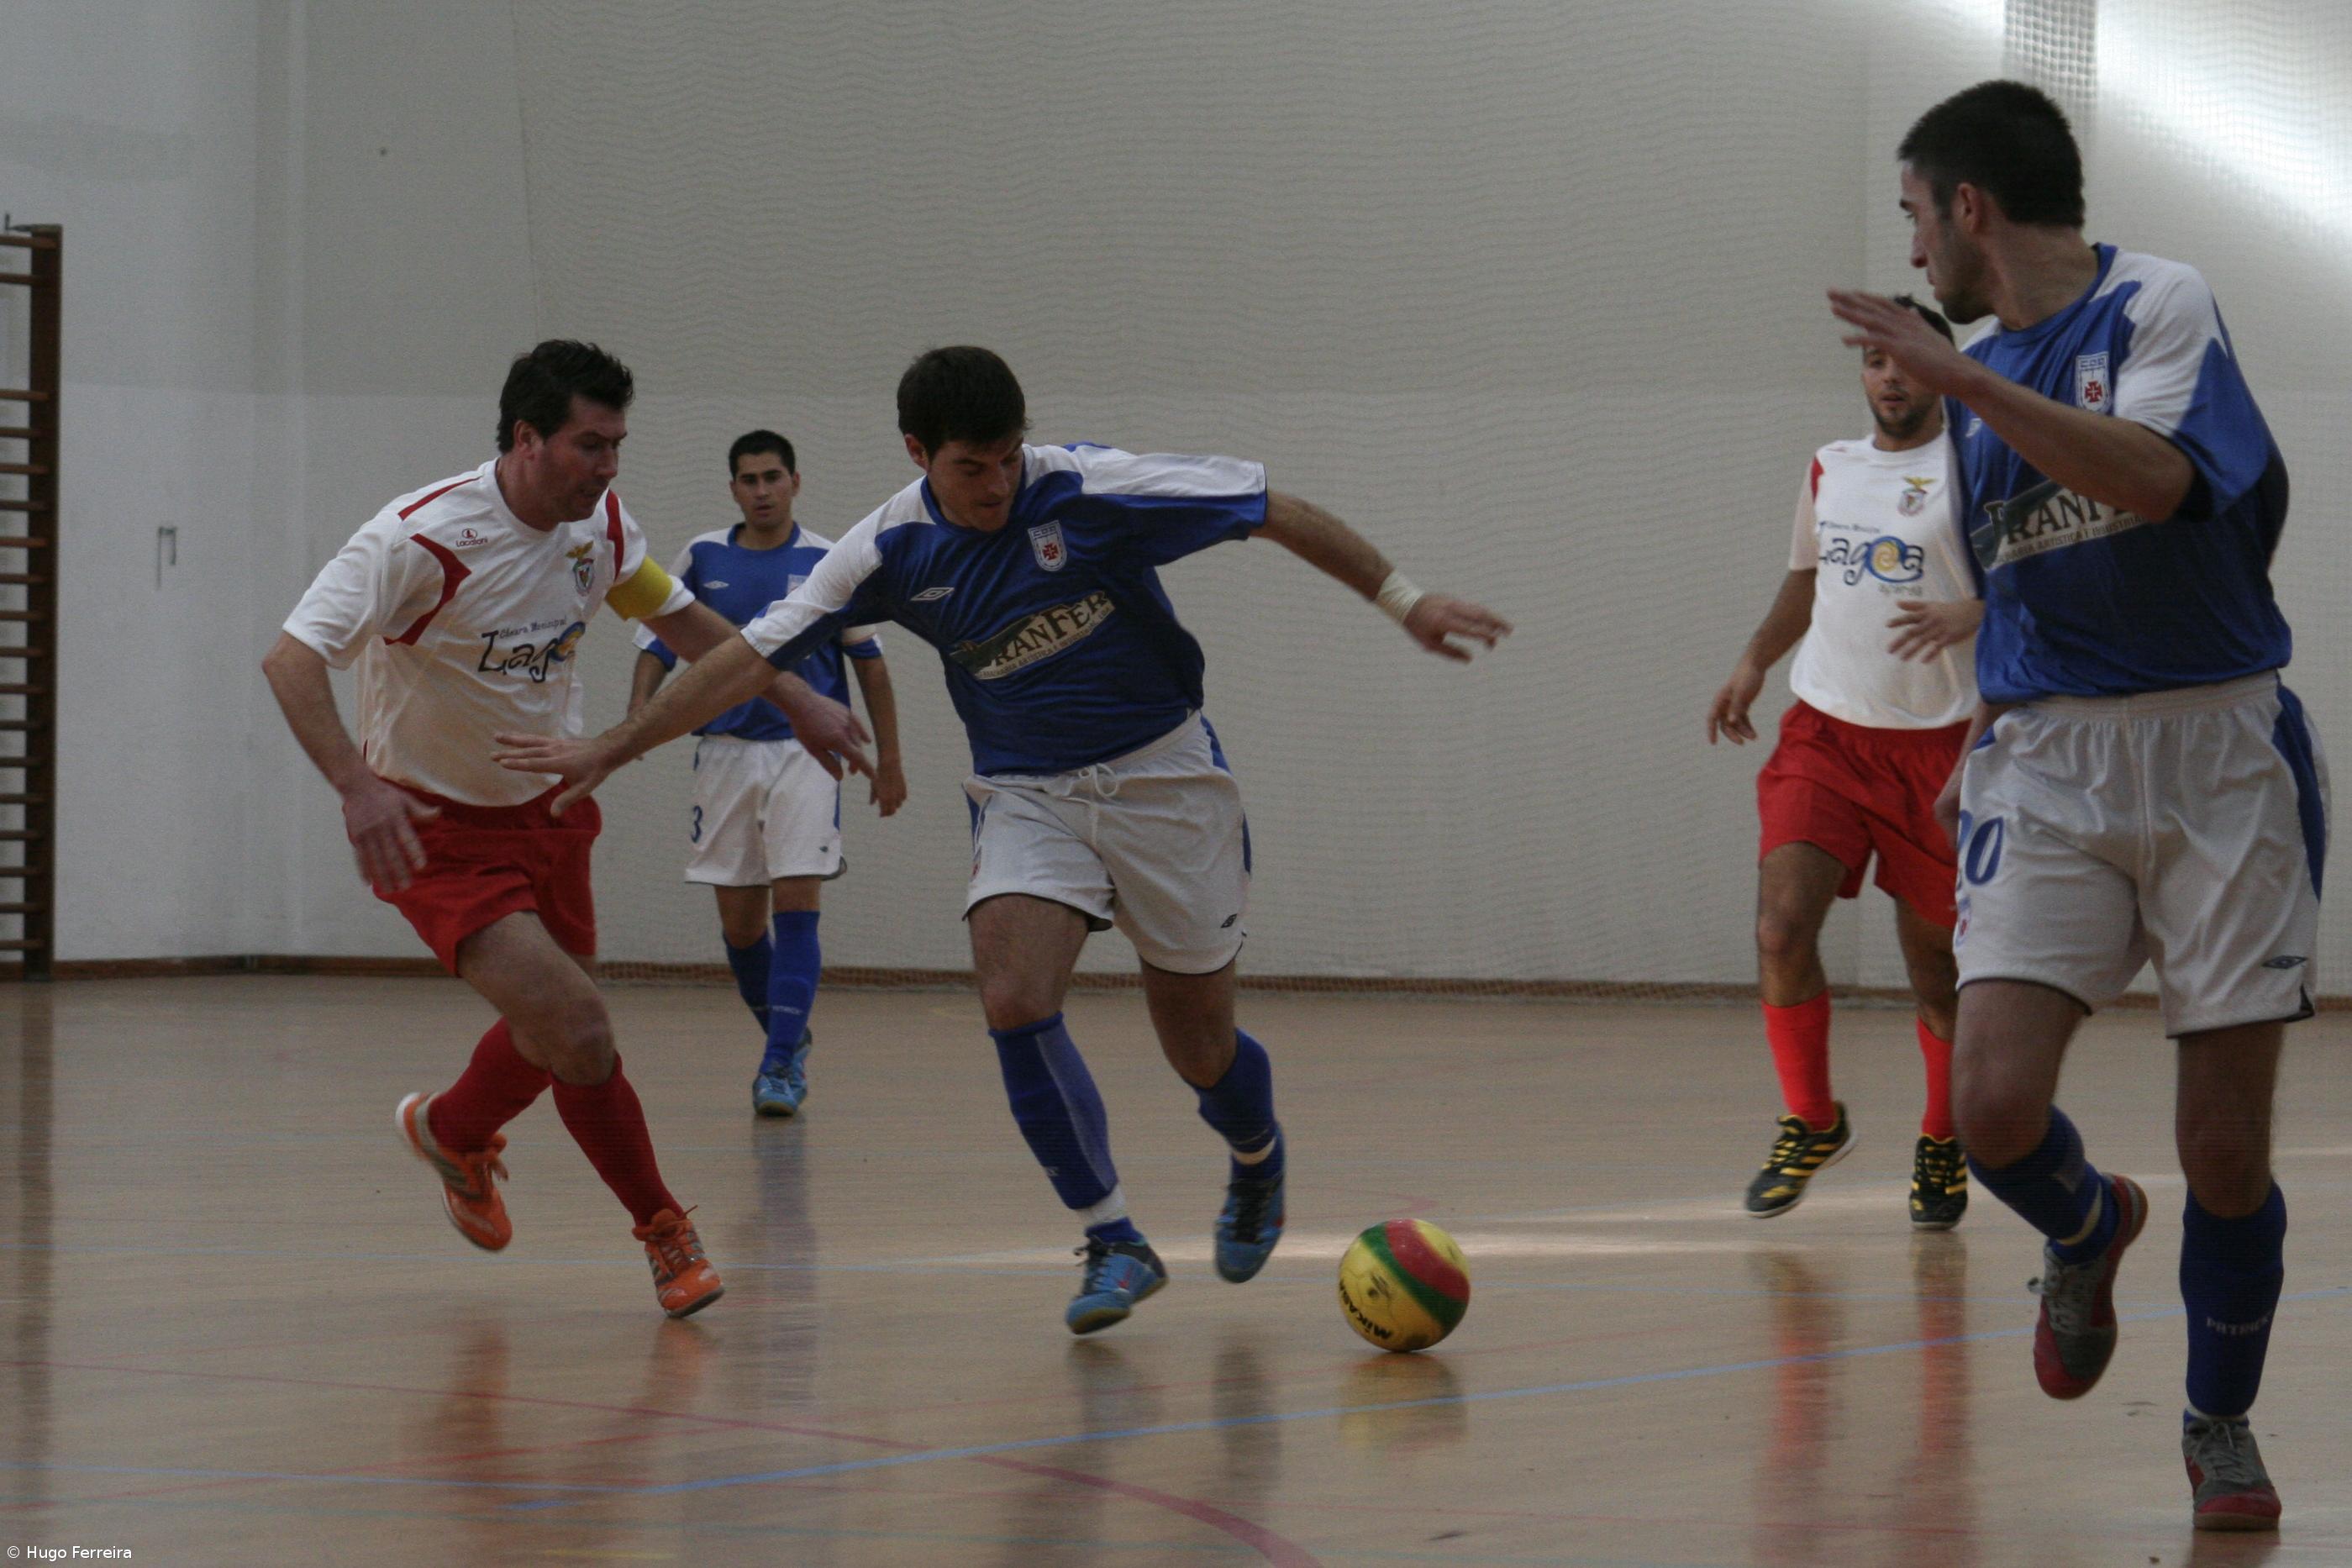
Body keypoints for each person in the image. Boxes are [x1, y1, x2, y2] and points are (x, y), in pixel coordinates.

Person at [495, 346, 1511, 1334]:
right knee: (1013, 994)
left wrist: (1406, 600)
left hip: (1166, 778)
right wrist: (616, 745)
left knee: (1200, 1048)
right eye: (969, 467)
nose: (995, 486)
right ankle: (1113, 1238)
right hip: (1029, 792)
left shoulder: (1093, 488)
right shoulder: (887, 548)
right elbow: (748, 659)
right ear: (917, 454)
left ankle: (1255, 1156)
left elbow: (1271, 507)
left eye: (1008, 459)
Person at [1830, 80, 2321, 1531]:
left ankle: (2216, 1424)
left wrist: (1963, 379)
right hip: (2047, 759)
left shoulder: (2153, 303)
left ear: (1966, 206)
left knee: (2222, 1146)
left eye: (1914, 216)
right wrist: (1981, 704)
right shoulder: (1974, 399)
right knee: (1987, 1108)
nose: (1909, 252)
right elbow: (2031, 570)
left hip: (2217, 751)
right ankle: (2086, 1221)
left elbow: (2159, 480)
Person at [260, 340, 871, 1319]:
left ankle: (454, 1131)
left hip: (550, 812)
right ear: (527, 438)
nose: (609, 465)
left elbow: (689, 629)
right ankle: (664, 1231)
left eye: (618, 444)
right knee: (579, 1026)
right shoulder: (419, 538)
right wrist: (355, 788)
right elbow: (291, 660)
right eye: (592, 445)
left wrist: (797, 698)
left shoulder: (604, 529)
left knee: (551, 1031)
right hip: (434, 828)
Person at [1707, 296, 1981, 1229]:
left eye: (1905, 358)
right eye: (1872, 361)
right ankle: (1812, 1119)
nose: (1888, 376)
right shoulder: (1832, 466)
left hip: (1941, 750)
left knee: (1937, 973)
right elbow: (1806, 577)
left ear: (1944, 368)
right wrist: (1753, 660)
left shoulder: (1980, 466)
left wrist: (1975, 612)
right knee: (1779, 928)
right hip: (1826, 733)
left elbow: (2042, 588)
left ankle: (1941, 1137)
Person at [630, 429, 908, 1115]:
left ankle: (779, 1063)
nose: (761, 490)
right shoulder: (702, 555)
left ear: (795, 482)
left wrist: (890, 762)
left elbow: (870, 666)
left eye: (772, 477)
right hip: (723, 753)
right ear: (733, 489)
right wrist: (636, 722)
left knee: (797, 900)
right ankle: (788, 1036)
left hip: (805, 755)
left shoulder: (827, 559)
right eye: (749, 480)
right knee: (741, 928)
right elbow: (656, 644)